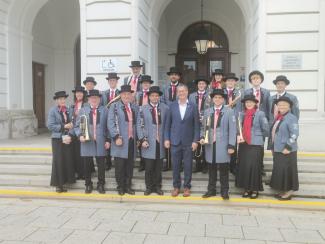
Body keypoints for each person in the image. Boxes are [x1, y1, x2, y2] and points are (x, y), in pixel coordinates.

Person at [200, 89, 236, 200]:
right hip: (210, 144)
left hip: (224, 144)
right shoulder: (207, 111)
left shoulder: (229, 111)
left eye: (220, 97)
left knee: (224, 170)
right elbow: (204, 127)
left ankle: (225, 191)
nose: (217, 99)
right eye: (215, 97)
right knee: (211, 169)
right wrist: (202, 137)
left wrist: (231, 145)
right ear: (213, 99)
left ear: (223, 99)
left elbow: (233, 130)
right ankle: (211, 190)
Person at [164, 84, 200, 197]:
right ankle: (176, 186)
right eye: (179, 91)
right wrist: (166, 138)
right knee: (175, 166)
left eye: (183, 91)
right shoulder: (172, 106)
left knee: (188, 165)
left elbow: (197, 126)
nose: (181, 93)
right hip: (175, 141)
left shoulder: (193, 106)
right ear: (177, 93)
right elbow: (167, 125)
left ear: (187, 92)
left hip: (189, 141)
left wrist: (195, 141)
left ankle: (187, 187)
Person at [75, 89, 110, 194]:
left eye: (96, 98)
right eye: (92, 98)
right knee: (87, 165)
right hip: (87, 141)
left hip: (101, 141)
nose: (94, 99)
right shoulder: (83, 110)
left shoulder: (105, 110)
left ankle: (101, 184)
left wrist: (108, 140)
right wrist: (80, 135)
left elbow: (109, 127)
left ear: (99, 99)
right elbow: (77, 126)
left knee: (101, 165)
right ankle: (88, 184)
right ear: (88, 99)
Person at [137, 86, 169, 195]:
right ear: (149, 97)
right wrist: (142, 139)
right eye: (152, 95)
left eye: (156, 95)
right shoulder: (143, 108)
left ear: (159, 97)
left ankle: (157, 186)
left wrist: (167, 139)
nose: (155, 97)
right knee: (149, 167)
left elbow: (168, 125)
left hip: (160, 142)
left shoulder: (165, 108)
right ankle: (149, 187)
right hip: (148, 141)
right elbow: (139, 126)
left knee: (158, 167)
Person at [235, 94, 269, 199]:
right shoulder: (241, 114)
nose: (249, 104)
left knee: (254, 167)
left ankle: (255, 189)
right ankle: (247, 188)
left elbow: (266, 130)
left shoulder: (260, 114)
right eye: (247, 102)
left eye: (251, 102)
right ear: (245, 104)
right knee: (244, 166)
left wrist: (258, 137)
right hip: (243, 144)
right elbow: (238, 128)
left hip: (255, 144)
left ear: (255, 103)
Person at [108, 85, 139, 195]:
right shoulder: (114, 107)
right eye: (124, 94)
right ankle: (120, 187)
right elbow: (110, 123)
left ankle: (128, 186)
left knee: (129, 165)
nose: (126, 96)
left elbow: (138, 124)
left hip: (131, 140)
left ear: (131, 95)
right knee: (120, 166)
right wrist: (116, 137)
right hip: (120, 140)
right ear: (120, 95)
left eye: (128, 94)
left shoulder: (134, 107)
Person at [269, 96, 299, 201]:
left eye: (284, 105)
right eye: (279, 105)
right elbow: (274, 133)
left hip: (287, 150)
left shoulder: (292, 118)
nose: (281, 106)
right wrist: (272, 147)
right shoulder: (279, 117)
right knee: (281, 171)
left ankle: (289, 192)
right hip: (278, 149)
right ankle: (283, 191)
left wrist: (288, 147)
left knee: (287, 171)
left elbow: (295, 134)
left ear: (289, 107)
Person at [47, 91, 75, 193]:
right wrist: (64, 126)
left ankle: (66, 181)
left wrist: (70, 135)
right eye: (60, 99)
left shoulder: (68, 110)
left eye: (63, 99)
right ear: (56, 100)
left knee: (66, 160)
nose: (62, 100)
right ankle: (59, 185)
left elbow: (73, 124)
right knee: (58, 161)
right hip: (57, 139)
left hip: (67, 138)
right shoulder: (52, 111)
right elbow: (50, 126)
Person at [244, 70, 270, 176]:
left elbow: (268, 107)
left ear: (261, 80)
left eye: (257, 78)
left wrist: (268, 122)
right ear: (251, 80)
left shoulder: (266, 92)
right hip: (249, 121)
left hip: (262, 122)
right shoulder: (246, 92)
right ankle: (250, 165)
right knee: (249, 145)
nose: (255, 80)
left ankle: (260, 166)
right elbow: (243, 107)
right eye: (253, 78)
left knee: (260, 146)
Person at [161, 66, 182, 172]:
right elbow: (162, 100)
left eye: (175, 74)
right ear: (170, 76)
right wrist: (167, 110)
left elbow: (183, 100)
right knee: (167, 138)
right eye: (172, 74)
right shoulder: (164, 87)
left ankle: (178, 164)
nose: (173, 76)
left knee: (178, 139)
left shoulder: (182, 87)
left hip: (178, 116)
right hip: (167, 116)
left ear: (178, 76)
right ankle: (168, 163)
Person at [189, 76, 210, 173]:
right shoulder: (192, 95)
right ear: (197, 85)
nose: (201, 85)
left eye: (203, 84)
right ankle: (197, 165)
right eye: (199, 84)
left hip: (206, 122)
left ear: (206, 85)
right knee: (196, 141)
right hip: (194, 122)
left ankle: (205, 165)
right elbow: (190, 108)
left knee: (205, 142)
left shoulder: (210, 95)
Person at [223, 73, 243, 175]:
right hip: (223, 121)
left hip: (236, 121)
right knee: (223, 142)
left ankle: (233, 166)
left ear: (235, 82)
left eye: (232, 81)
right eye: (228, 80)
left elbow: (243, 108)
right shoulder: (221, 92)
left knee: (233, 143)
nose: (230, 82)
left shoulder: (240, 93)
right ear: (225, 82)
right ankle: (224, 165)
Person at [101, 72, 121, 171]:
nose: (112, 82)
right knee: (107, 139)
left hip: (117, 120)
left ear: (117, 81)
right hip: (105, 120)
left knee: (116, 138)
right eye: (110, 80)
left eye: (114, 80)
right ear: (108, 82)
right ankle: (107, 161)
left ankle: (117, 161)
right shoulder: (103, 93)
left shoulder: (120, 93)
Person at [135, 75, 154, 172]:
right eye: (144, 83)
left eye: (147, 83)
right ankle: (142, 163)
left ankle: (148, 162)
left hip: (150, 120)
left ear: (150, 84)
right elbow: (134, 105)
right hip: (140, 119)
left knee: (149, 139)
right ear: (141, 84)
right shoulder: (137, 94)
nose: (146, 84)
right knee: (140, 141)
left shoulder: (153, 95)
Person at [70, 85, 87, 180]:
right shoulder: (73, 105)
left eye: (80, 92)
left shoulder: (87, 104)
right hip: (75, 131)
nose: (79, 94)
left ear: (83, 94)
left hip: (84, 130)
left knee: (83, 153)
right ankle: (78, 172)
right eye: (77, 93)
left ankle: (84, 172)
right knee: (76, 153)